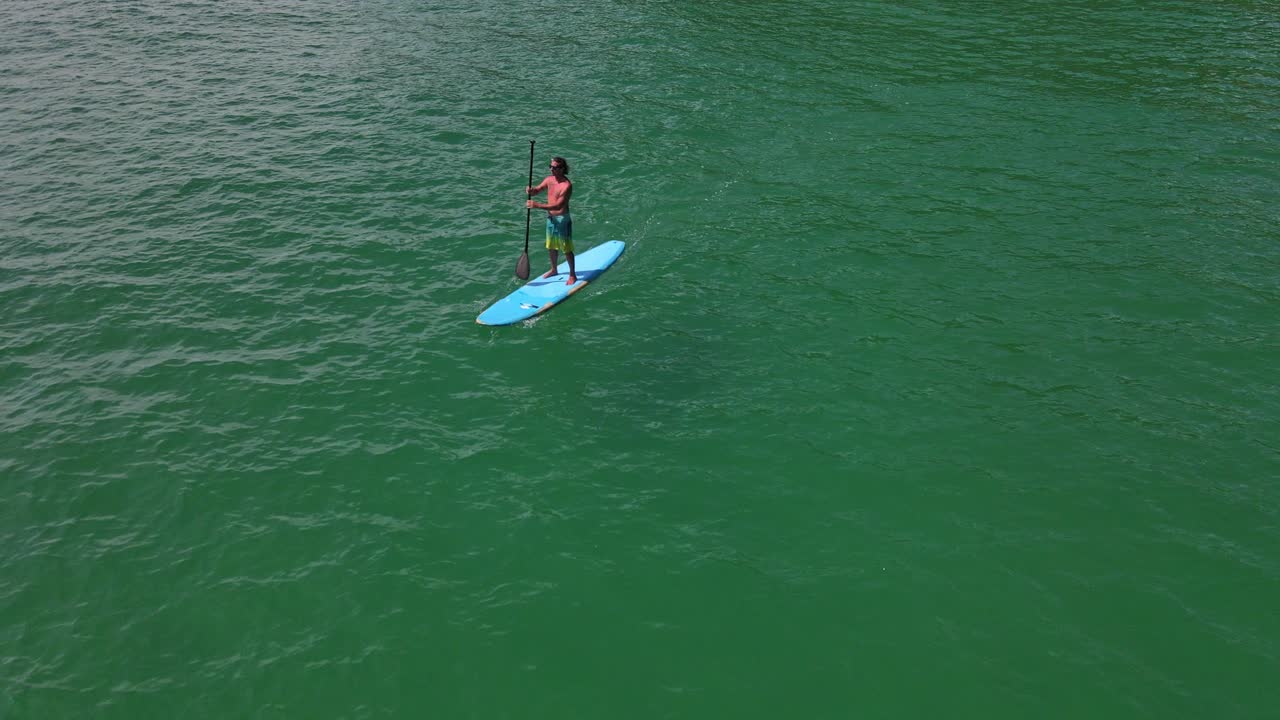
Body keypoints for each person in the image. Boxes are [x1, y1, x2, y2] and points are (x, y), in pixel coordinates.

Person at [526, 156, 575, 284]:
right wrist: (532, 190)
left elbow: (559, 205)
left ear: (562, 169)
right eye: (551, 167)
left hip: (563, 219)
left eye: (555, 167)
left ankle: (572, 275)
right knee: (551, 246)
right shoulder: (549, 180)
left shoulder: (566, 186)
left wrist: (537, 205)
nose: (552, 169)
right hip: (551, 219)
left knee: (566, 248)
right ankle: (554, 269)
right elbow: (538, 190)